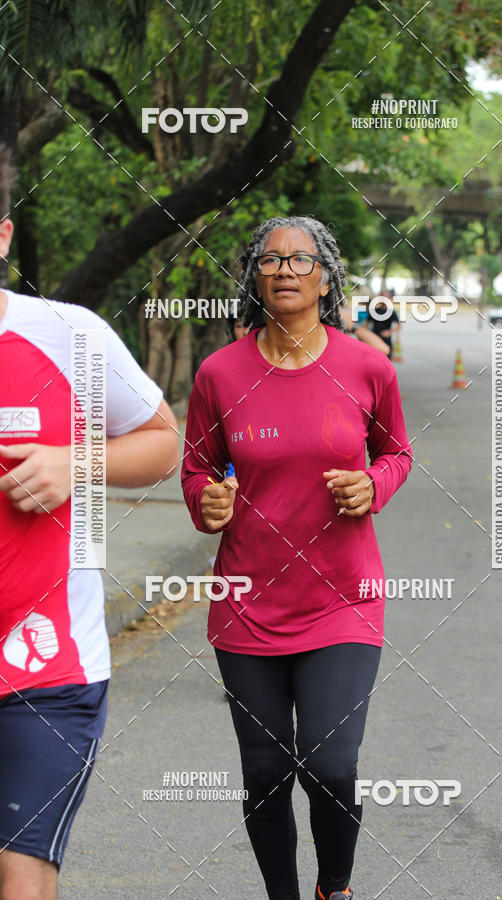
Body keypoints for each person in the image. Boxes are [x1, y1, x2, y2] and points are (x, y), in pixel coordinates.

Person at [181, 215, 412, 900]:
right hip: (247, 605)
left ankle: (333, 887)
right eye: (270, 259)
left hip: (342, 597)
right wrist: (207, 504)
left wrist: (374, 486)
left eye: (301, 258)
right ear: (254, 276)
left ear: (326, 277)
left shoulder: (366, 365)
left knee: (332, 761)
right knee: (264, 771)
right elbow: (197, 471)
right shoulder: (220, 374)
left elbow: (396, 453)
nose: (284, 268)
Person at [0, 151, 180, 900]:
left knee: (22, 869)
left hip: (47, 661)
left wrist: (75, 463)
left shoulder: (67, 334)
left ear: (3, 236)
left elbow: (164, 443)